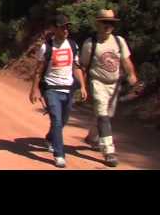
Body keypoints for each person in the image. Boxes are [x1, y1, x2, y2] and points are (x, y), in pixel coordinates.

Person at [80, 9, 139, 167]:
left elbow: (126, 61)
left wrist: (132, 76)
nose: (108, 26)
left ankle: (92, 137)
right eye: (104, 23)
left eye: (111, 23)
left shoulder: (119, 41)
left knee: (105, 115)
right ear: (98, 23)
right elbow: (83, 66)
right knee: (102, 113)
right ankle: (109, 151)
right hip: (97, 82)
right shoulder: (90, 43)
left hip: (114, 84)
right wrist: (82, 86)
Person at [29, 15, 88, 168]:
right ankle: (59, 154)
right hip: (51, 89)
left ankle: (50, 138)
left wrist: (82, 86)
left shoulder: (73, 46)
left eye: (67, 27)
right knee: (56, 120)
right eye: (62, 27)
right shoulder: (46, 47)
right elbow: (38, 70)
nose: (66, 30)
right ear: (54, 29)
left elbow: (76, 67)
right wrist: (34, 90)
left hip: (68, 89)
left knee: (63, 121)